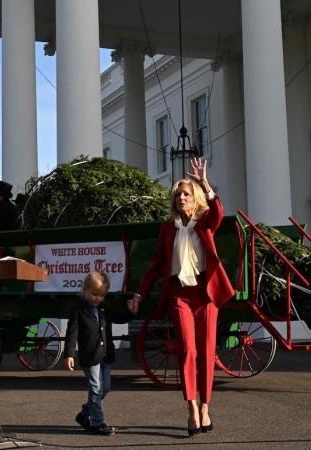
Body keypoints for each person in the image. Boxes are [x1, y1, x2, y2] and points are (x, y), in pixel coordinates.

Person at [127, 157, 235, 436]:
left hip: (205, 294)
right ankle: (190, 409)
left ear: (195, 197)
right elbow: (156, 265)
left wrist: (204, 181)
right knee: (187, 350)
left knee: (207, 352)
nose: (181, 198)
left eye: (186, 194)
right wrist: (139, 293)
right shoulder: (167, 229)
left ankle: (205, 407)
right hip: (179, 294)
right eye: (178, 195)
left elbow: (219, 213)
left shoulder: (205, 222)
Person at [65, 271, 116, 436]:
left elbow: (118, 317)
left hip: (105, 354)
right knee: (96, 388)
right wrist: (70, 354)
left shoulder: (104, 307)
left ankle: (85, 413)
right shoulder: (78, 309)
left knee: (105, 389)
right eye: (94, 294)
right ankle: (98, 422)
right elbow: (72, 333)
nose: (98, 298)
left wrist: (131, 312)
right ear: (85, 289)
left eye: (102, 295)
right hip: (90, 355)